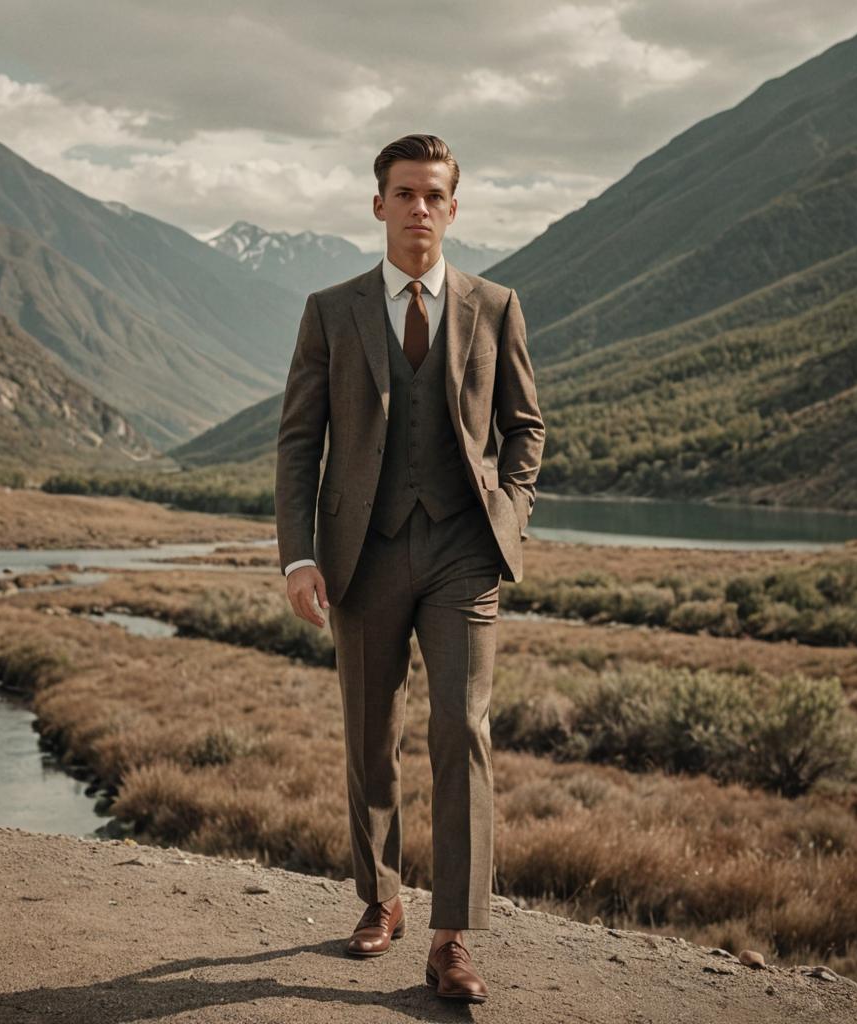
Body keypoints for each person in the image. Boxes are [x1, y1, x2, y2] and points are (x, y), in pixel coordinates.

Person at [275, 132, 545, 1003]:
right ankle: (380, 898)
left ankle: (453, 938)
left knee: (461, 732)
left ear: (453, 208)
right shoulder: (330, 309)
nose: (419, 207)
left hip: (466, 551)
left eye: (434, 194)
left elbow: (525, 427)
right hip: (364, 552)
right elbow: (298, 441)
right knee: (370, 735)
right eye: (404, 193)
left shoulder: (496, 305)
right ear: (379, 204)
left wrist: (510, 511)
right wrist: (299, 555)